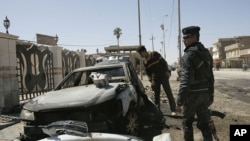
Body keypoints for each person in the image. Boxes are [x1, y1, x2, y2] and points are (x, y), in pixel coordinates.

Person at [176, 26, 215, 141]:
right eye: (183, 38)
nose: (184, 40)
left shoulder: (188, 55)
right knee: (204, 124)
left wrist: (179, 101)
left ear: (194, 37)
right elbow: (211, 77)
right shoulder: (206, 53)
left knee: (187, 123)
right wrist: (211, 95)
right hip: (204, 94)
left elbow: (185, 80)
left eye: (186, 37)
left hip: (192, 95)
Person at [136, 46, 176, 116]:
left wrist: (167, 71)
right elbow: (148, 73)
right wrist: (151, 81)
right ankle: (158, 112)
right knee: (156, 96)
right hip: (155, 79)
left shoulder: (154, 54)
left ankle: (173, 110)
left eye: (140, 54)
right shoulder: (145, 61)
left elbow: (164, 62)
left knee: (168, 93)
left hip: (163, 76)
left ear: (144, 51)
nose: (140, 55)